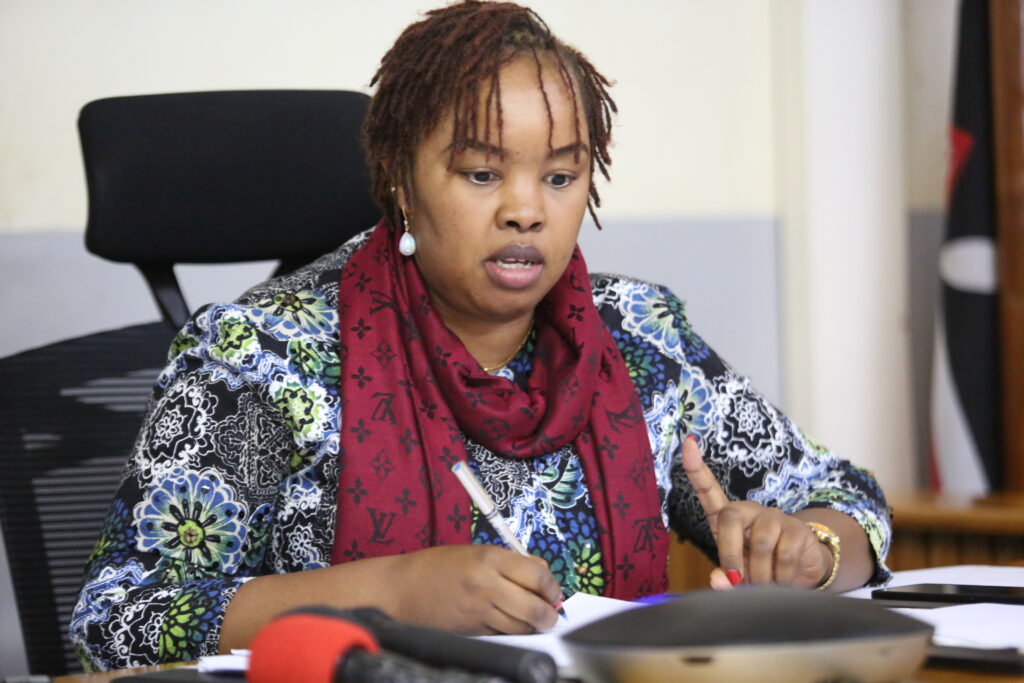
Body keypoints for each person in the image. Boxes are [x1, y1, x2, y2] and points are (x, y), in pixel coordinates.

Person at [70, 0, 891, 670]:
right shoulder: (258, 358)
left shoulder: (639, 337)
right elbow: (117, 621)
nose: (526, 209)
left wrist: (812, 550)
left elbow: (850, 501)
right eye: (482, 173)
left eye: (561, 175)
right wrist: (392, 594)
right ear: (401, 177)